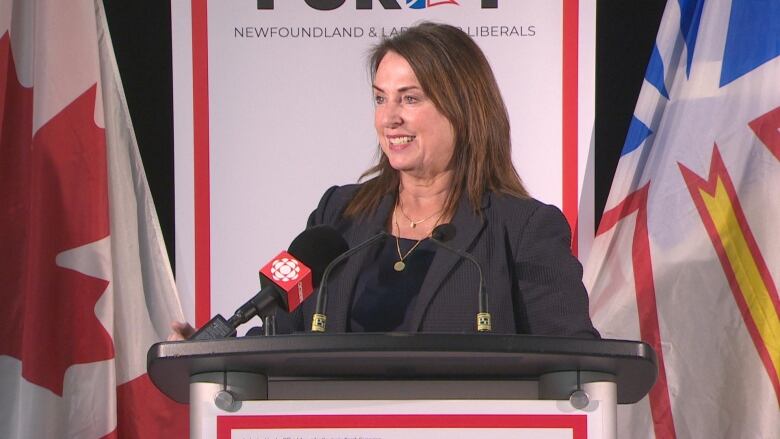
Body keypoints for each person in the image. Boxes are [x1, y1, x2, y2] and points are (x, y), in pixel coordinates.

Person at [171, 22, 598, 340]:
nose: (388, 117)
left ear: (464, 109)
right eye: (380, 98)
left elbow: (573, 362)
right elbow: (282, 335)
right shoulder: (337, 215)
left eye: (410, 98)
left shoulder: (521, 229)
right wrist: (217, 355)